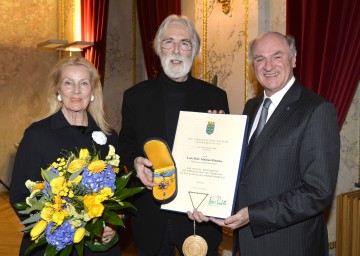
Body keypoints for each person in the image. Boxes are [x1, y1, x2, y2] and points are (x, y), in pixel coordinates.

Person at [188, 31, 340, 256]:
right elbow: (245, 169)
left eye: (277, 56)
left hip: (291, 246)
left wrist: (254, 215)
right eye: (260, 59)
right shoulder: (251, 106)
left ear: (294, 58)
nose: (268, 66)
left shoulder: (316, 110)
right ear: (253, 65)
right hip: (248, 244)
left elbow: (317, 192)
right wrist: (219, 135)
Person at [118, 14, 229, 256]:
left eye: (185, 43)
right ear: (158, 48)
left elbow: (225, 159)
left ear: (194, 51)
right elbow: (125, 144)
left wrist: (221, 133)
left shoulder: (215, 98)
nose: (176, 49)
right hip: (150, 214)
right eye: (168, 42)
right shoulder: (135, 96)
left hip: (198, 216)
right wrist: (135, 161)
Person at [10, 56, 121, 256]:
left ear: (93, 91)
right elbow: (19, 195)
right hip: (52, 245)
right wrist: (59, 227)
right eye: (68, 83)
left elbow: (121, 192)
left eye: (83, 83)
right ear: (58, 90)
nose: (76, 91)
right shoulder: (37, 135)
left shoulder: (109, 136)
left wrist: (114, 223)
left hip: (98, 248)